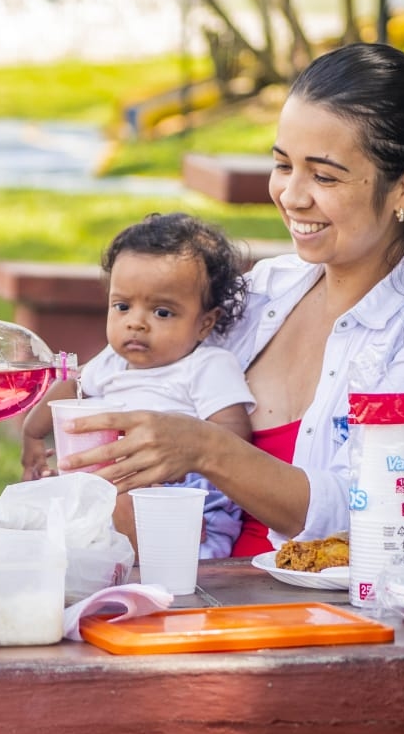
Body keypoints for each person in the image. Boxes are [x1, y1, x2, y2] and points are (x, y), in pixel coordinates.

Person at [58, 42, 404, 557]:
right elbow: (138, 366)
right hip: (186, 592)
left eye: (324, 175)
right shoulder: (263, 289)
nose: (292, 195)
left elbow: (368, 512)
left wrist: (206, 448)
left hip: (336, 619)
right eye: (283, 165)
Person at [19, 212, 254, 558]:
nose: (136, 324)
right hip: (117, 486)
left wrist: (183, 472)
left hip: (188, 499)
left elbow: (232, 439)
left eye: (162, 312)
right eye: (122, 306)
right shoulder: (111, 362)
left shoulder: (207, 366)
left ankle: (128, 560)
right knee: (44, 502)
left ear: (205, 324)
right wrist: (32, 435)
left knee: (111, 508)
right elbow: (70, 388)